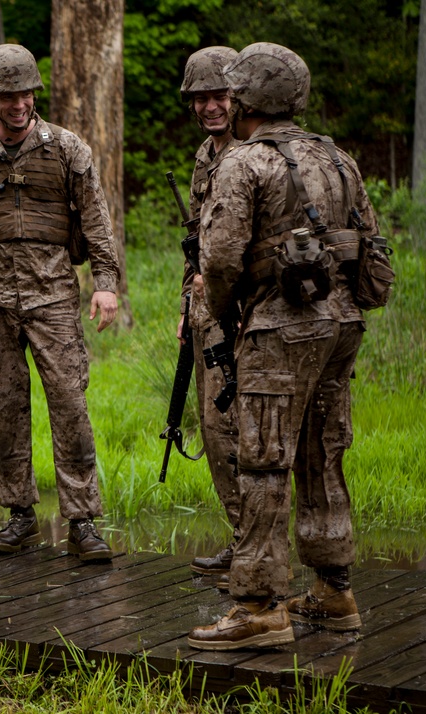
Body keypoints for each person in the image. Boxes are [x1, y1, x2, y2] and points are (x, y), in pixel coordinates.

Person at [188, 42, 377, 650]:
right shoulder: (339, 159)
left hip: (278, 328)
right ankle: (333, 587)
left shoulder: (245, 163)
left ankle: (259, 606)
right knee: (324, 452)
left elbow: (218, 259)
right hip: (342, 325)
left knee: (263, 461)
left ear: (246, 98)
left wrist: (223, 312)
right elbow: (369, 243)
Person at [0, 44, 121, 562]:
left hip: (53, 291)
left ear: (35, 92)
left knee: (70, 403)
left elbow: (96, 217)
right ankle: (19, 515)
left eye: (25, 92)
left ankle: (82, 520)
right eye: (7, 95)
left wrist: (106, 281)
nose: (17, 103)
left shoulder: (68, 149)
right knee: (4, 405)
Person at [176, 46, 242, 584]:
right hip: (206, 315)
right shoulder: (205, 155)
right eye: (201, 98)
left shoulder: (254, 151)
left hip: (246, 314)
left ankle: (256, 548)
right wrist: (187, 304)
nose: (211, 106)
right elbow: (196, 243)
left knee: (240, 431)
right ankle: (243, 537)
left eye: (219, 95)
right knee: (215, 430)